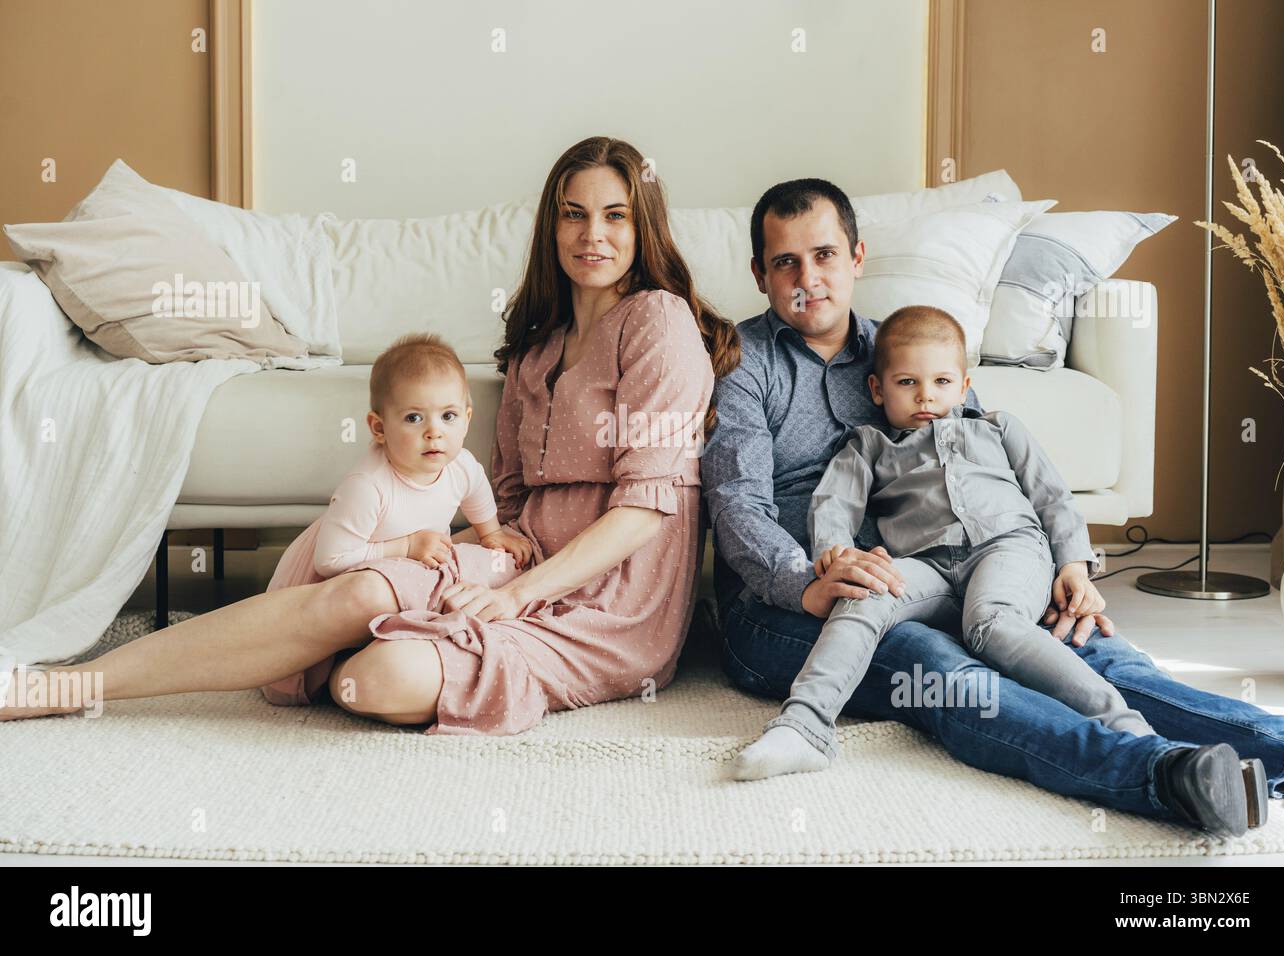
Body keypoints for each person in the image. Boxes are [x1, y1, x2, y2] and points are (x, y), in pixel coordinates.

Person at [1, 135, 737, 739]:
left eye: (615, 216)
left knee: (376, 680)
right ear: (552, 226)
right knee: (353, 591)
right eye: (575, 215)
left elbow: (646, 511)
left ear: (644, 226)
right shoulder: (537, 346)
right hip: (518, 564)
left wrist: (516, 599)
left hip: (610, 600)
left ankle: (369, 642)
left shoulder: (658, 322)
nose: (593, 236)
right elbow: (503, 508)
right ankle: (67, 686)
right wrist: (421, 554)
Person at [702, 177, 1284, 838]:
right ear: (760, 273)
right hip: (787, 608)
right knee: (939, 666)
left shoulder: (907, 346)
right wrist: (804, 581)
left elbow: (992, 466)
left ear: (857, 257)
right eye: (785, 262)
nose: (808, 277)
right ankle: (1161, 774)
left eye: (824, 255)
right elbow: (737, 507)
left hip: (937, 569)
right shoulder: (743, 364)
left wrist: (1056, 564)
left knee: (1084, 647)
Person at [257, 331, 533, 706]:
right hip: (339, 569)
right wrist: (405, 545)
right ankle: (314, 674)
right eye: (414, 418)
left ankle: (373, 662)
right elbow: (330, 560)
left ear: (466, 420)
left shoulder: (461, 465)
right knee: (300, 673)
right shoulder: (368, 486)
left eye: (448, 416)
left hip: (394, 574)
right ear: (379, 428)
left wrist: (492, 533)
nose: (434, 431)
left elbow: (478, 496)